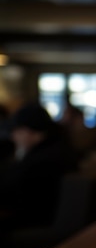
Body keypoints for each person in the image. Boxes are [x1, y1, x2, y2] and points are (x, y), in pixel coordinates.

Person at [0, 103, 79, 240]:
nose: (13, 137)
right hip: (45, 218)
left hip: (33, 223)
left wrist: (20, 154)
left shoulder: (40, 161)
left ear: (30, 132)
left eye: (16, 131)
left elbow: (8, 191)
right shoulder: (60, 148)